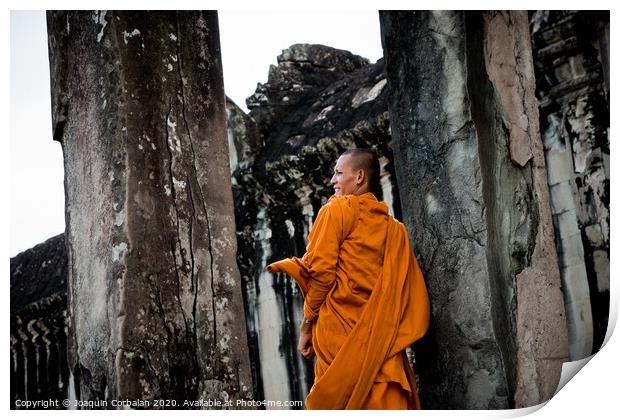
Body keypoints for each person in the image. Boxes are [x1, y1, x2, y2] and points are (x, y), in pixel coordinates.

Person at [266, 148, 430, 410]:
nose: (332, 180)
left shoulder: (338, 210)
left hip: (341, 345)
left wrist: (307, 326)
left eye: (338, 173)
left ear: (359, 177)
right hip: (383, 349)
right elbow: (408, 298)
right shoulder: (395, 231)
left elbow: (320, 274)